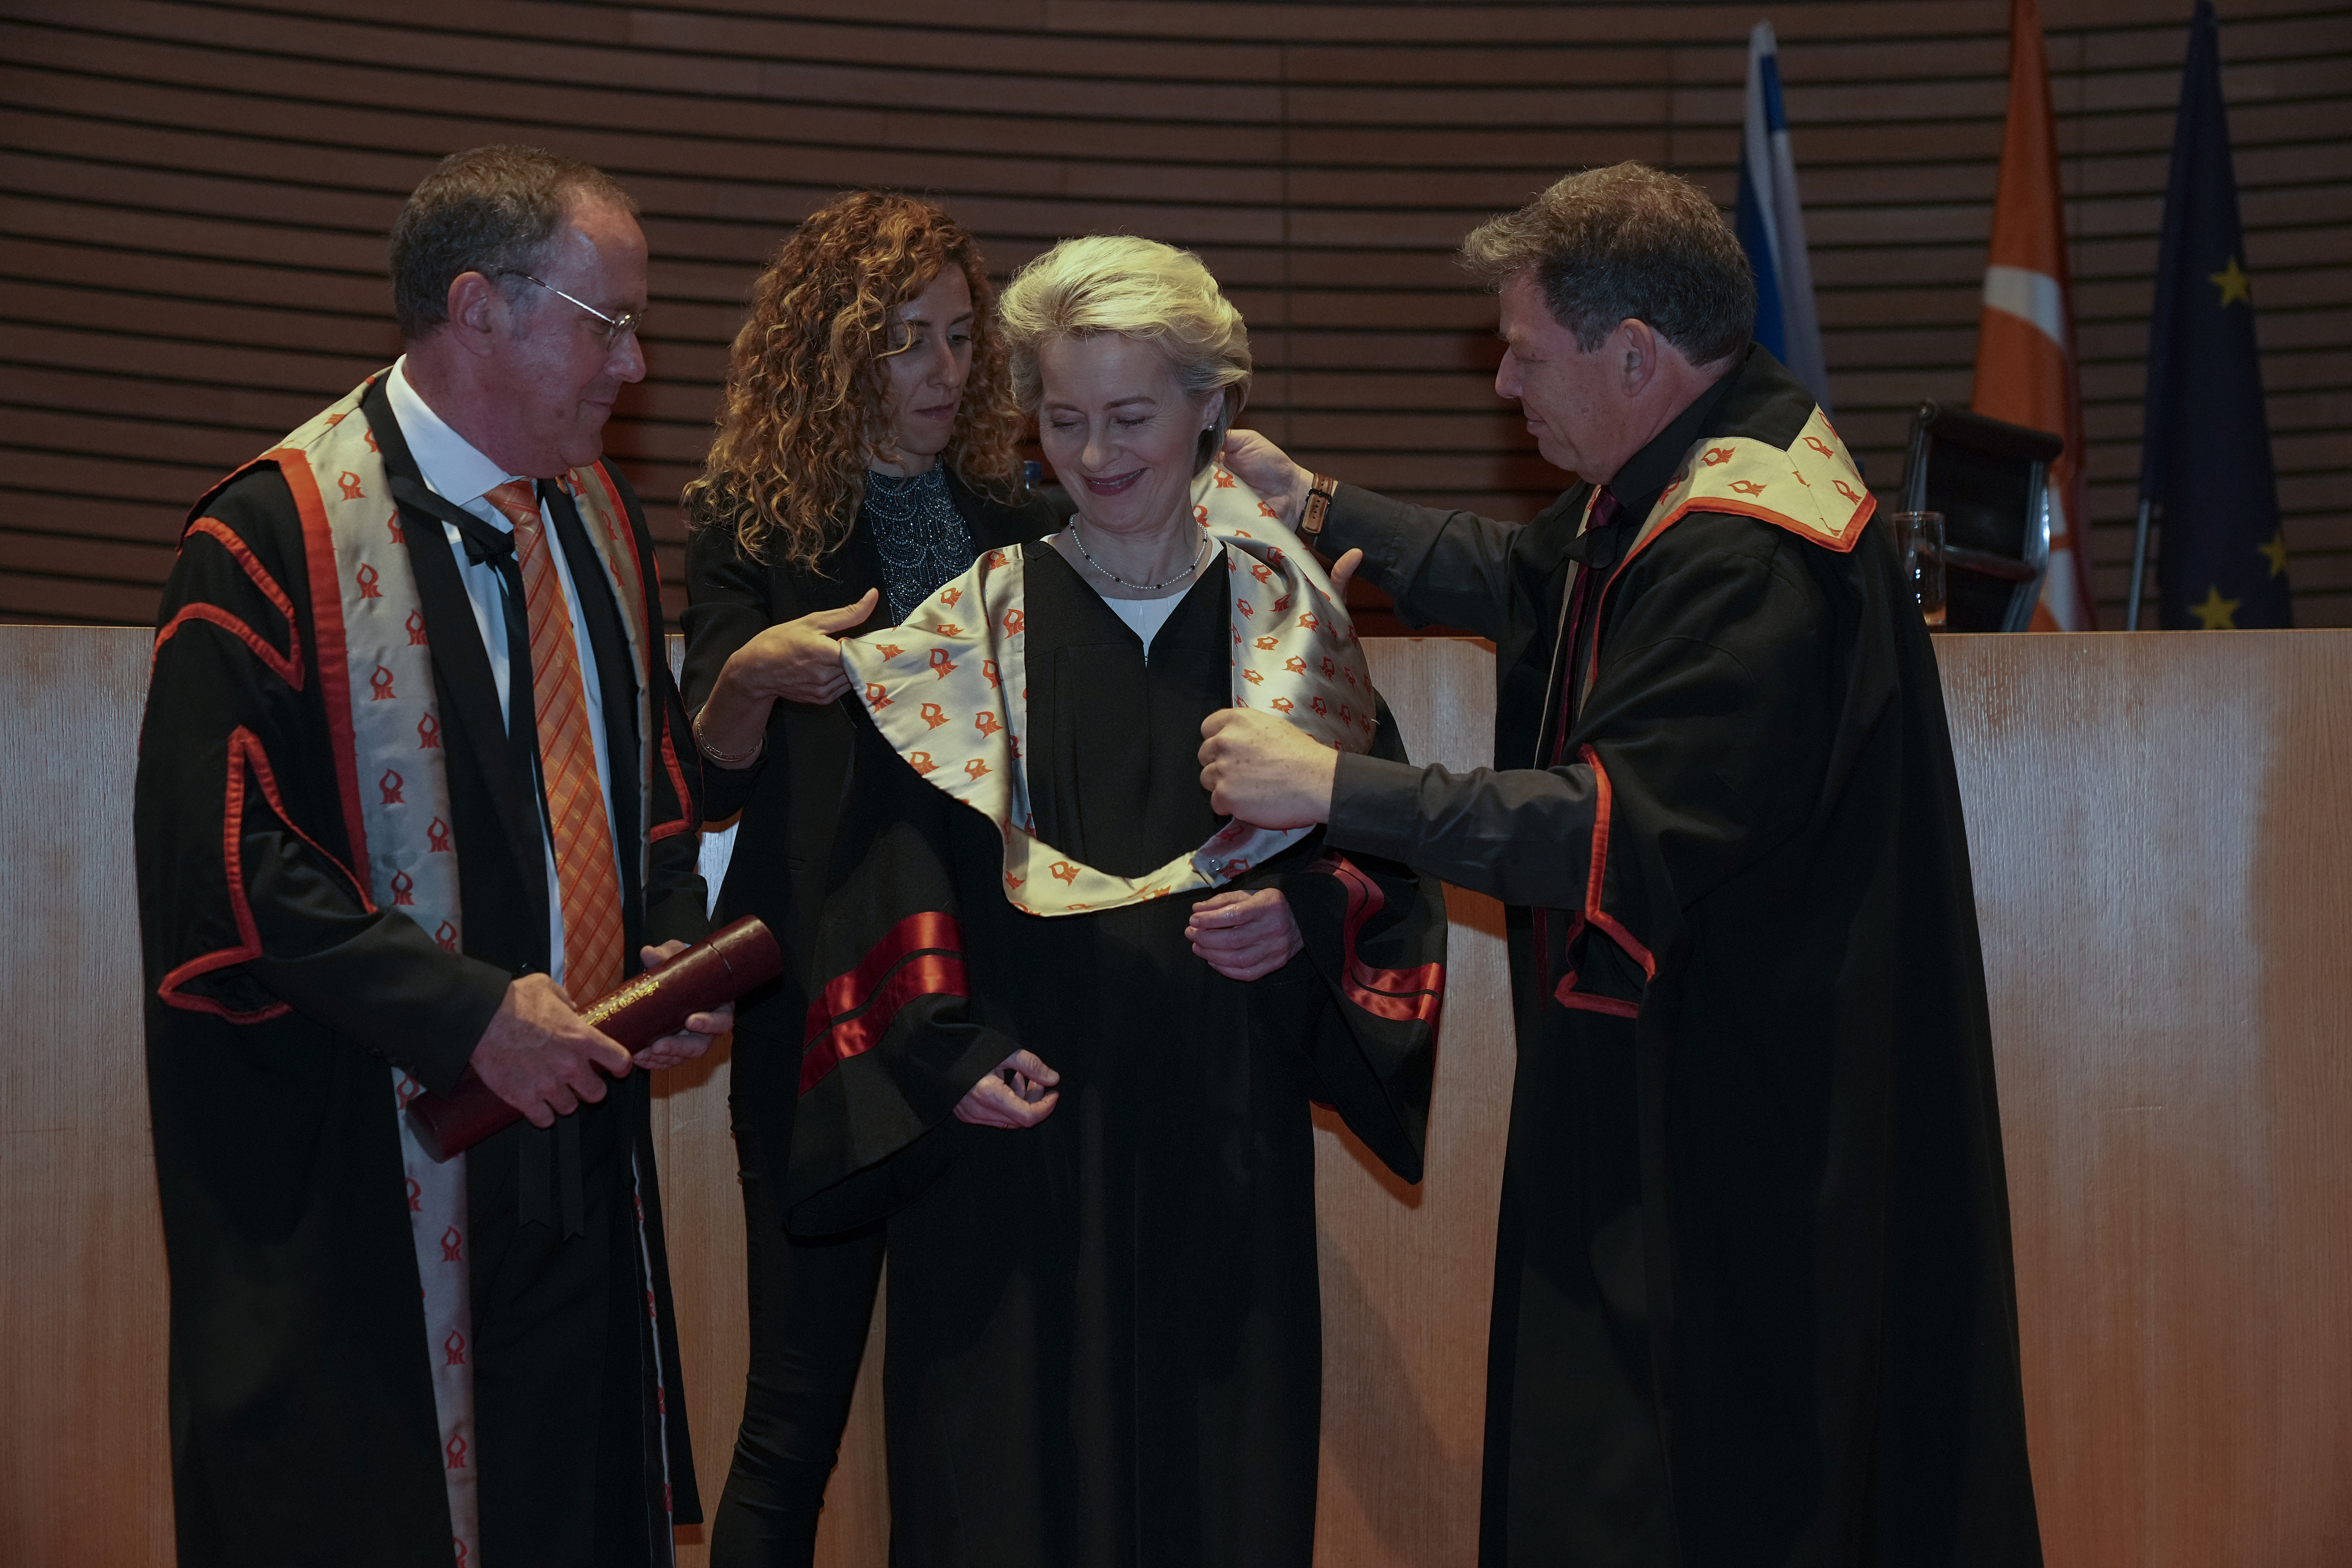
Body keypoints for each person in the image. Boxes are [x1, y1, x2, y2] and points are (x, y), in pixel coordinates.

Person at [1202, 163, 2043, 1565]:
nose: (1504, 386)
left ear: (1635, 353)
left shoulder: (1750, 557)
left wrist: (1333, 789)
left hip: (1748, 1133)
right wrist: (1323, 502)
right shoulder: (1699, 471)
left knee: (1716, 1487)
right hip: (1703, 1079)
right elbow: (1534, 579)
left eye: (1527, 354)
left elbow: (1605, 825)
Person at [782, 234, 1448, 1567]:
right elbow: (886, 872)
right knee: (1001, 1502)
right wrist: (944, 1049)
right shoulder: (968, 629)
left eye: (1130, 417)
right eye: (1063, 418)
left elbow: (1380, 866)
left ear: (1212, 406)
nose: (1093, 454)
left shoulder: (1292, 629)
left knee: (1218, 1495)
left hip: (1221, 1126)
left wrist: (1305, 918)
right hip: (1015, 1140)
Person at [135, 144, 723, 1568]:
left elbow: (645, 785)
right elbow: (231, 864)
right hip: (368, 1168)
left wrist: (663, 946)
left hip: (573, 1155)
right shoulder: (269, 535)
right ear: (479, 308)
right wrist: (469, 1017)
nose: (636, 366)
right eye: (608, 324)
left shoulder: (597, 516)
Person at [676, 189, 1054, 1564]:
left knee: (979, 1420)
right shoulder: (752, 526)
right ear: (834, 351)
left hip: (986, 1004)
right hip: (820, 1004)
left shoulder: (1020, 523)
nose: (943, 372)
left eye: (959, 337)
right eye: (905, 341)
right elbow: (709, 780)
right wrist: (749, 680)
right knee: (794, 1415)